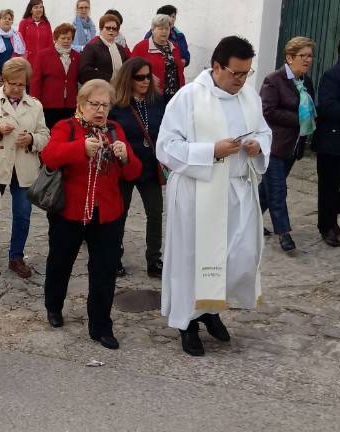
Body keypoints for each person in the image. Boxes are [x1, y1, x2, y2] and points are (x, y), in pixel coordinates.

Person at [157, 36, 272, 357]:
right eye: (236, 73)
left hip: (237, 190)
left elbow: (263, 130)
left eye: (246, 73)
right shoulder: (189, 97)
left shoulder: (248, 96)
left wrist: (257, 145)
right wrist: (212, 151)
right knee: (192, 259)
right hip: (198, 192)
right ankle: (187, 323)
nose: (241, 80)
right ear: (217, 66)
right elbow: (166, 147)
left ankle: (210, 310)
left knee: (233, 255)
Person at [41, 79, 141, 349]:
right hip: (69, 212)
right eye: (94, 104)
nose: (99, 110)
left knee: (105, 270)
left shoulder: (115, 130)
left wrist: (125, 157)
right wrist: (79, 149)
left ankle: (100, 326)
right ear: (81, 104)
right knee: (61, 261)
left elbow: (134, 173)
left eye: (104, 105)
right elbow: (49, 156)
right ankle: (54, 306)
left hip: (107, 214)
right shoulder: (67, 127)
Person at [0, 58, 50, 278]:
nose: (17, 89)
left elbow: (45, 134)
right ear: (4, 81)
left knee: (23, 214)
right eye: (12, 83)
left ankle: (16, 256)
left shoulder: (35, 105)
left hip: (24, 167)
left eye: (21, 84)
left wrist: (33, 139)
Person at [109, 57, 166, 278]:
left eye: (148, 76)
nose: (145, 81)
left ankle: (154, 259)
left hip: (150, 167)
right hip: (125, 166)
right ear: (128, 78)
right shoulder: (118, 105)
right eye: (139, 77)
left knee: (155, 212)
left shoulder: (157, 100)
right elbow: (111, 132)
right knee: (120, 213)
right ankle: (114, 256)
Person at [258, 37, 316, 252]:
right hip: (273, 146)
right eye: (303, 56)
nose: (308, 60)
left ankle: (245, 219)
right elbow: (267, 111)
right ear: (289, 58)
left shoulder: (305, 81)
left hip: (293, 147)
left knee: (266, 192)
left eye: (310, 56)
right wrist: (299, 119)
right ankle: (284, 234)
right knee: (278, 191)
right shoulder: (274, 80)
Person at [315, 36, 340, 248]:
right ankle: (327, 227)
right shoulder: (332, 76)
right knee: (328, 187)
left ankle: (332, 212)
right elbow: (326, 106)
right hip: (331, 143)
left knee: (332, 193)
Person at [30, 22, 80, 129]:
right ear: (56, 38)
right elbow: (36, 81)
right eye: (63, 38)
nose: (66, 41)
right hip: (49, 105)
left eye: (69, 38)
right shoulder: (43, 55)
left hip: (70, 105)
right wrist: (35, 103)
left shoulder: (77, 56)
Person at [132, 15, 185, 104]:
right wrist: (148, 75)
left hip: (175, 95)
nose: (164, 32)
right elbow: (130, 69)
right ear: (153, 30)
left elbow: (179, 71)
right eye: (160, 28)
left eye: (167, 28)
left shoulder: (174, 47)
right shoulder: (141, 47)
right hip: (153, 95)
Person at [78, 14, 130, 84]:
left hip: (118, 89)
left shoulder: (120, 49)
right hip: (99, 89)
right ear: (101, 29)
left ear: (117, 32)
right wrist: (108, 78)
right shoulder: (91, 47)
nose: (111, 30)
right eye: (108, 28)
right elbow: (84, 71)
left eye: (114, 28)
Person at [0, 9, 25, 75]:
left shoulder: (17, 35)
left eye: (9, 19)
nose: (7, 20)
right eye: (4, 18)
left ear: (12, 22)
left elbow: (22, 54)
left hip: (12, 72)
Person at [18, 0, 53, 69]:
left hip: (43, 60)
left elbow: (50, 43)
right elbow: (19, 42)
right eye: (36, 7)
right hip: (28, 60)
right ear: (31, 10)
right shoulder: (24, 23)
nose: (39, 10)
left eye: (41, 7)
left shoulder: (46, 23)